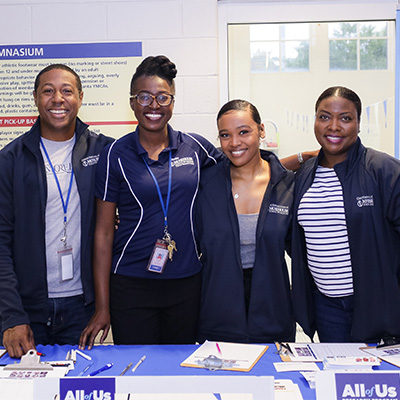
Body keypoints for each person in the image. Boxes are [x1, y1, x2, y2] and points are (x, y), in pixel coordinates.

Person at [79, 55, 224, 349]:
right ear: (132, 102)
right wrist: (102, 307)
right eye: (144, 97)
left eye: (162, 97)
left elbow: (240, 165)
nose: (153, 105)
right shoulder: (115, 154)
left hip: (187, 281)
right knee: (136, 372)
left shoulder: (194, 147)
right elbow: (104, 234)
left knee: (179, 373)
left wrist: (295, 161)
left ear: (173, 101)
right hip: (131, 284)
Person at [0, 64, 113, 358]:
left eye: (67, 91)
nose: (57, 99)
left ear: (80, 97)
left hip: (83, 308)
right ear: (35, 98)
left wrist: (104, 304)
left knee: (80, 388)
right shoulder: (10, 161)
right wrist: (12, 316)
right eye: (48, 91)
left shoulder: (105, 152)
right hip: (28, 309)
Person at [292, 86, 400, 343]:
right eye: (325, 116)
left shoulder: (382, 169)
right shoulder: (305, 174)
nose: (334, 126)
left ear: (359, 124)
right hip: (327, 307)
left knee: (379, 382)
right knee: (339, 379)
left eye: (346, 118)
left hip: (378, 306)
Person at [195, 99, 296, 343]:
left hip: (273, 312)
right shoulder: (206, 184)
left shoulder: (287, 185)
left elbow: (302, 252)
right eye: (225, 135)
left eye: (244, 132)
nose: (235, 143)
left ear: (261, 131)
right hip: (218, 312)